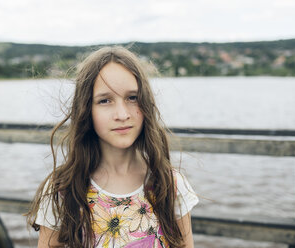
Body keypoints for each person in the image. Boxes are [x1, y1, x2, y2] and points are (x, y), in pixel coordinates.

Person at [26, 46, 199, 248]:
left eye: (132, 98)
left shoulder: (170, 185)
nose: (122, 114)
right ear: (86, 109)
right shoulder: (63, 190)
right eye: (105, 100)